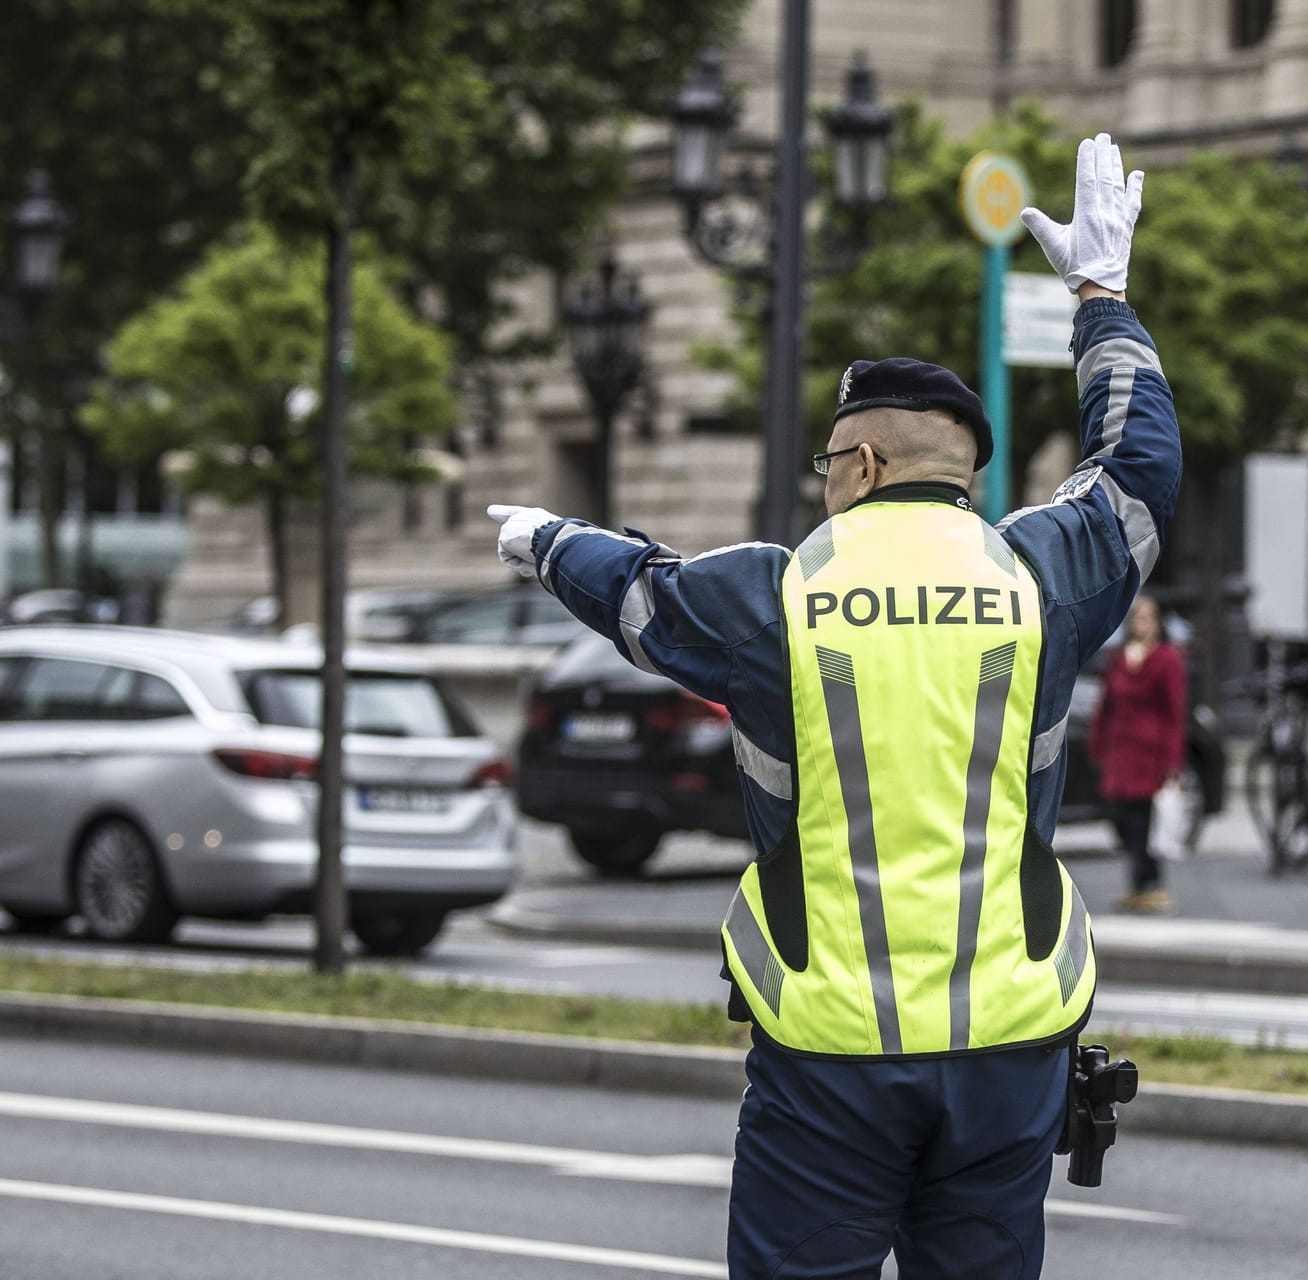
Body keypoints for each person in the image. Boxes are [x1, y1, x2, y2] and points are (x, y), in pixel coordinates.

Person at [489, 133, 1177, 1278]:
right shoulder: (1040, 577)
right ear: (964, 471)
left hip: (831, 1044)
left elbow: (643, 594)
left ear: (858, 463)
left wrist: (545, 539)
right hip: (1012, 1036)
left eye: (828, 462)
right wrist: (1103, 301)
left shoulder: (781, 591)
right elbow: (1140, 468)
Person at [1088, 594, 1185, 914]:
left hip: (1149, 754)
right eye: (1136, 618)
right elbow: (1106, 704)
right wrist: (1097, 743)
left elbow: (1174, 713)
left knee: (1145, 820)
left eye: (1147, 618)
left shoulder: (1167, 659)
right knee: (1121, 816)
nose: (1140, 624)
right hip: (1120, 751)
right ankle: (1139, 881)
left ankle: (1148, 882)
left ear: (1158, 623)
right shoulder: (1119, 657)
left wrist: (1172, 761)